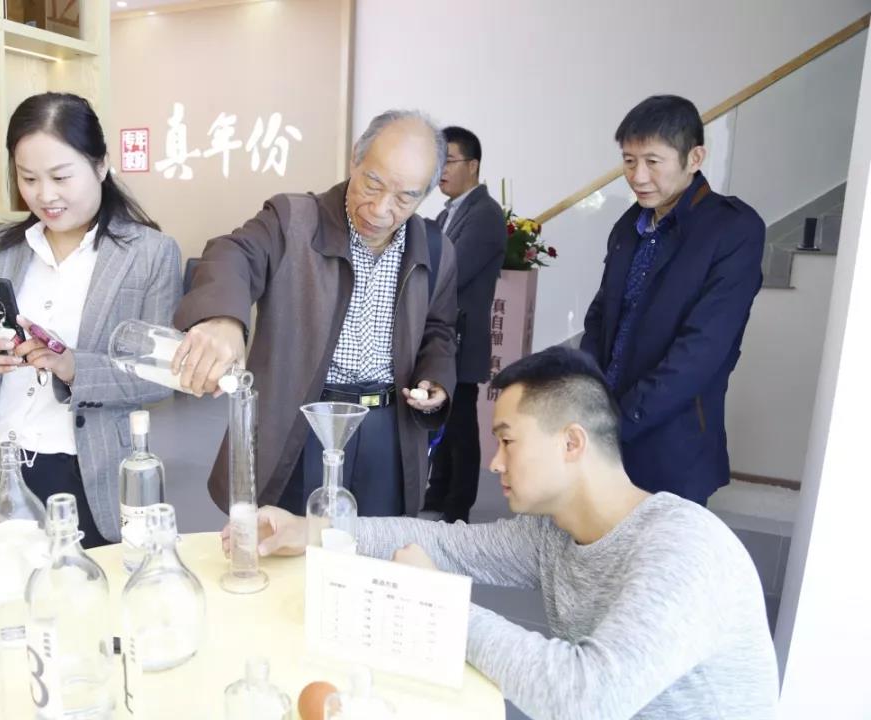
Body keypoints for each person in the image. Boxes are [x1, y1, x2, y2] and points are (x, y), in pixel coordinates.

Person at [234, 347, 779, 718]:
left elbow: (584, 699)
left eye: (508, 441)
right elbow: (447, 544)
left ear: (572, 442)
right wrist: (312, 529)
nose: (495, 463)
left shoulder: (683, 549)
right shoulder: (554, 533)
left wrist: (437, 602)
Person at [0, 93, 182, 585]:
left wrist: (71, 366)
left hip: (83, 475)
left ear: (101, 165)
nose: (45, 195)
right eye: (28, 179)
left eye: (61, 177)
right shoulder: (2, 246)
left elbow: (160, 378)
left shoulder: (151, 253)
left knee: (75, 618)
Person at [172, 109, 458, 517]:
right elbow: (233, 253)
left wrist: (436, 377)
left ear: (426, 194)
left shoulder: (436, 248)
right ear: (355, 158)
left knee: (378, 545)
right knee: (287, 542)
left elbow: (439, 329)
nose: (380, 209)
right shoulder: (293, 220)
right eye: (372, 183)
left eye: (404, 198)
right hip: (300, 421)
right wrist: (223, 320)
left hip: (388, 429)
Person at [580, 94, 765, 505]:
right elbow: (601, 315)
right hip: (603, 431)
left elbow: (702, 349)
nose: (638, 176)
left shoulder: (732, 229)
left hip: (672, 439)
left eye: (653, 161)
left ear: (694, 158)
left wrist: (622, 419)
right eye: (629, 161)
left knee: (658, 545)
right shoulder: (629, 224)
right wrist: (587, 396)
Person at [423, 126, 506, 523]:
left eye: (449, 161)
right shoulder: (447, 212)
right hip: (445, 335)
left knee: (461, 426)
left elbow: (451, 271)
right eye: (438, 161)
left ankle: (458, 507)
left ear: (472, 166)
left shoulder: (485, 214)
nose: (441, 170)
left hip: (463, 337)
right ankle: (438, 492)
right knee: (445, 420)